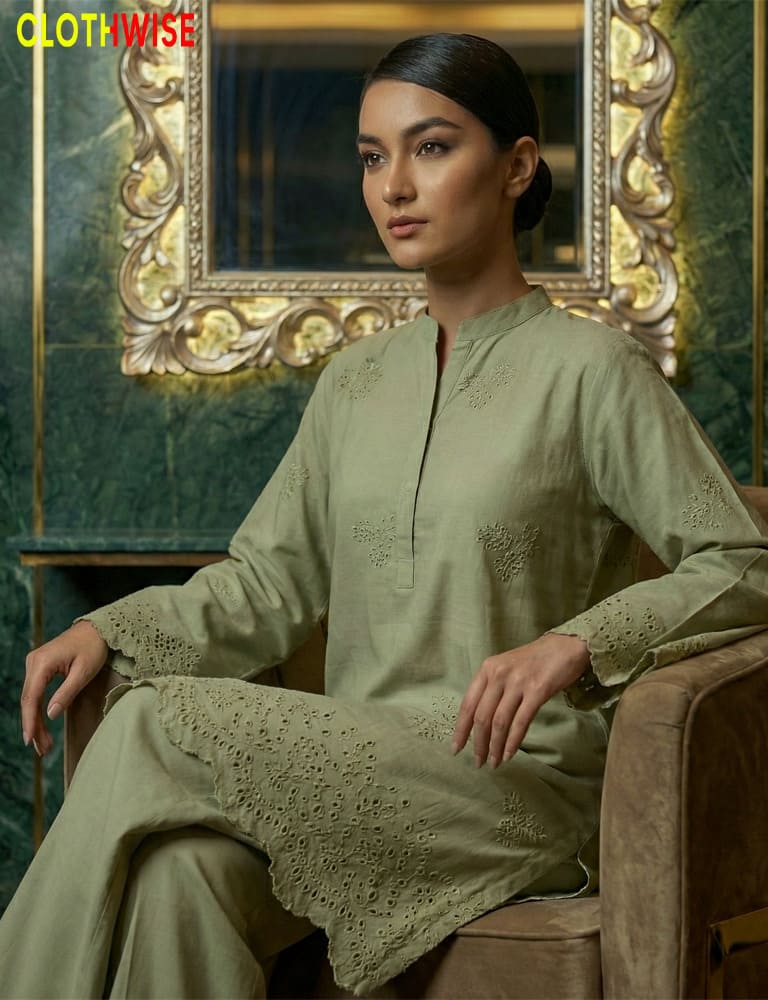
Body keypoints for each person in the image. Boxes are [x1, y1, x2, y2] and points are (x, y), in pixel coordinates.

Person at [2, 30, 768, 1000]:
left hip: (514, 788)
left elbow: (746, 562)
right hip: (359, 770)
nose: (393, 184)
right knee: (177, 876)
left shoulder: (593, 375)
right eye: (373, 156)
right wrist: (109, 625)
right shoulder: (356, 384)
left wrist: (579, 642)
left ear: (517, 167)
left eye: (432, 146)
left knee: (153, 722)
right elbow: (267, 586)